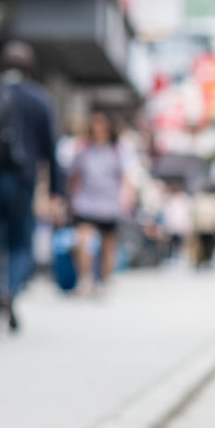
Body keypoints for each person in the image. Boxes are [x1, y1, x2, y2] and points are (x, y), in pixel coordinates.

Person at [0, 40, 62, 334]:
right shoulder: (38, 99)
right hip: (20, 183)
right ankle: (9, 291)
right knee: (20, 244)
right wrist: (56, 192)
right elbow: (51, 151)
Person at [68, 111, 134, 294]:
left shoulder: (118, 150)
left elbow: (127, 177)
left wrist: (126, 198)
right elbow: (74, 175)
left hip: (109, 204)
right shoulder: (84, 149)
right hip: (86, 202)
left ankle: (105, 280)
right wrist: (70, 198)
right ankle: (85, 279)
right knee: (81, 239)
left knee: (108, 244)